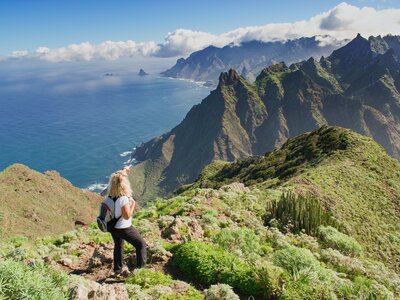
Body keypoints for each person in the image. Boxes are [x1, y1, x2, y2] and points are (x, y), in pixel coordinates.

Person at [106, 170, 147, 276]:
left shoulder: (109, 198)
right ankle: (140, 271)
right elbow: (127, 215)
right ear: (124, 185)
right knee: (141, 244)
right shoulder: (123, 199)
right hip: (123, 227)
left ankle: (117, 270)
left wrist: (124, 171)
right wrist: (133, 204)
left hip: (112, 227)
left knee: (118, 245)